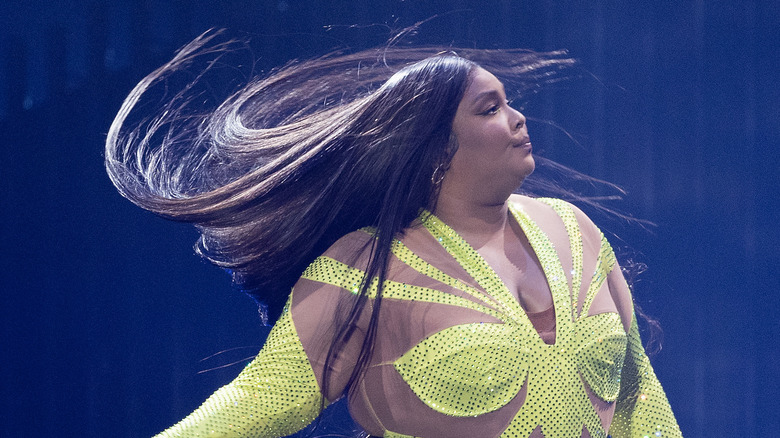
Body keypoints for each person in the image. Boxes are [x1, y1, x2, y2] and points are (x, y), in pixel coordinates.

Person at [106, 31, 682, 438]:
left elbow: (639, 400)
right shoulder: (365, 266)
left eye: (511, 104)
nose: (518, 118)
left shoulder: (574, 230)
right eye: (489, 109)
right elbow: (260, 400)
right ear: (435, 149)